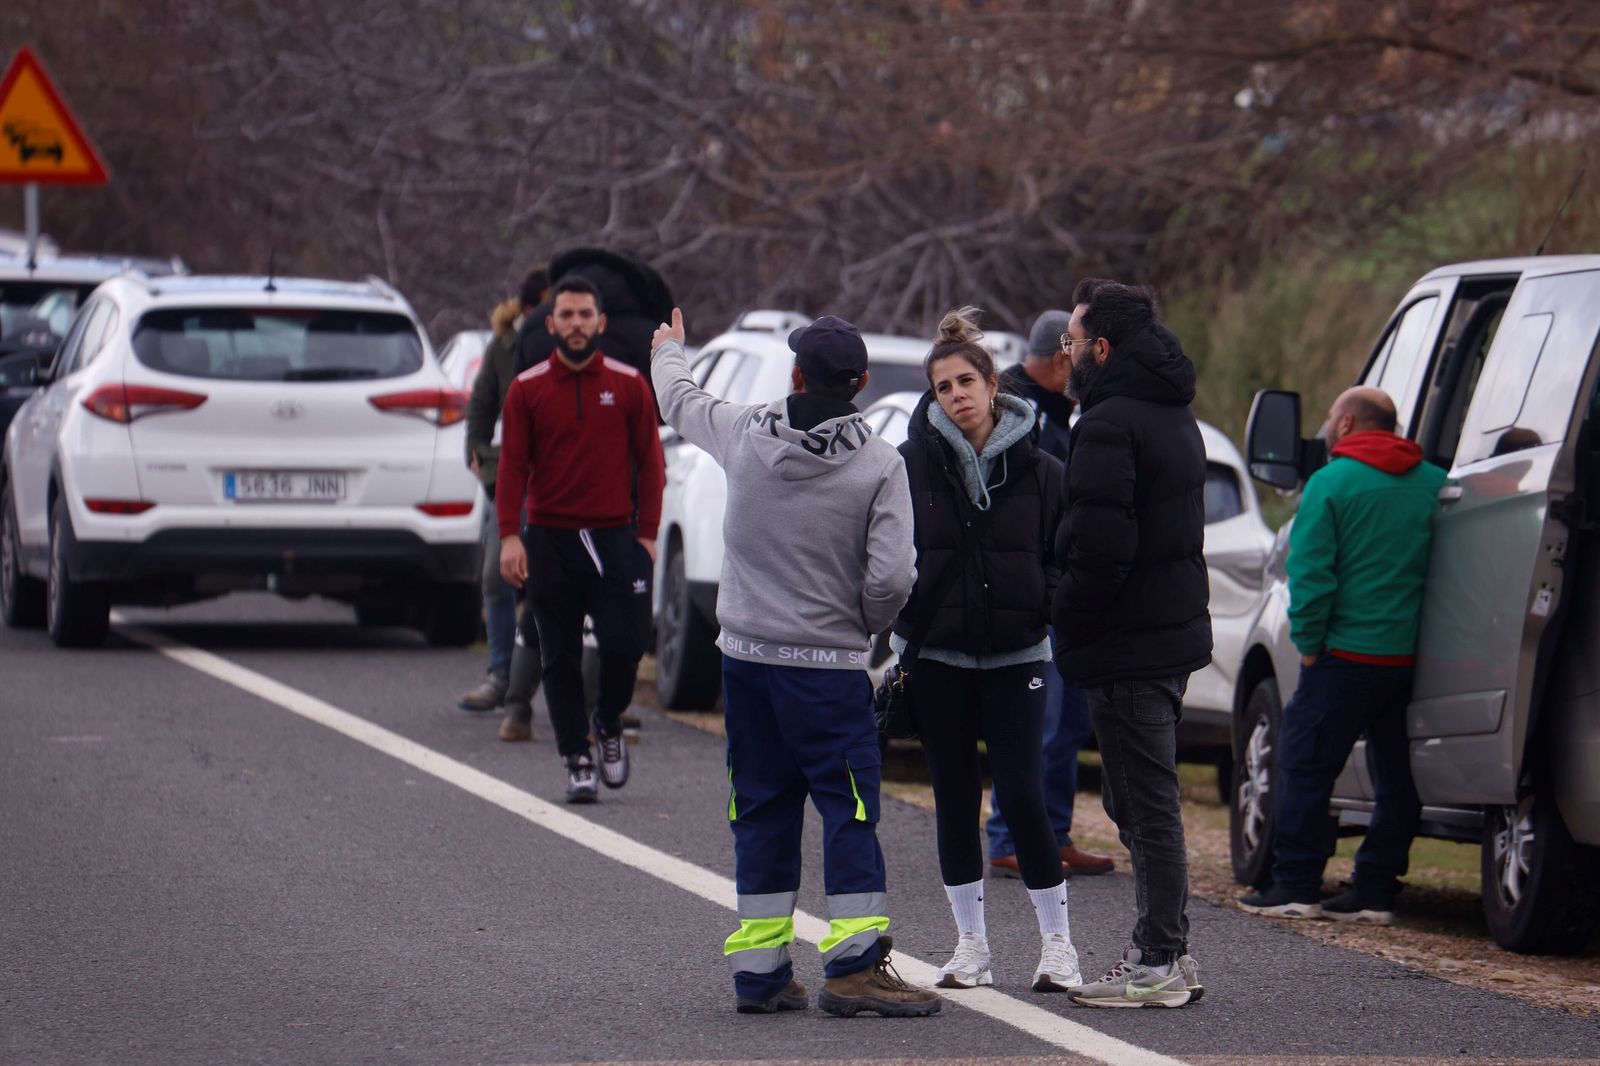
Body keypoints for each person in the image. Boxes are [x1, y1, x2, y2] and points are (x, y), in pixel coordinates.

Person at [651, 308, 938, 1019]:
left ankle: (760, 971)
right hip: (827, 669)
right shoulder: (879, 463)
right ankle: (853, 966)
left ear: (796, 374)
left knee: (761, 807)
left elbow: (679, 399)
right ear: (862, 384)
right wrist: (862, 628)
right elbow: (894, 579)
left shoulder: (744, 433)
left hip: (744, 663)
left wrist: (669, 350)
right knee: (850, 809)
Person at [892, 307, 1081, 993]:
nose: (957, 395)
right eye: (943, 388)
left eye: (966, 381)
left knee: (1025, 796)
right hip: (938, 657)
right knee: (953, 798)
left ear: (991, 382)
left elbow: (1066, 556)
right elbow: (888, 553)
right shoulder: (911, 465)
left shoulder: (1044, 468)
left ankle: (1058, 946)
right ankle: (970, 946)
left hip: (1017, 658)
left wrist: (1041, 606)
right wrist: (905, 620)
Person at [1053, 281, 1211, 1009]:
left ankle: (1158, 960)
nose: (1067, 351)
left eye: (1074, 340)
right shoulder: (1172, 411)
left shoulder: (1111, 421)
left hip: (1130, 639)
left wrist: (1061, 613)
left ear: (1103, 348)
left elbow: (1101, 547)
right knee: (1130, 797)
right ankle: (1170, 943)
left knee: (1145, 804)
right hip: (1164, 633)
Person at [1238, 387, 1444, 925]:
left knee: (1305, 764)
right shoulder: (1434, 484)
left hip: (1344, 655)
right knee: (1396, 775)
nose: (1327, 426)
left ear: (1348, 423)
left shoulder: (1330, 483)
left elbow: (1312, 574)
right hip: (1406, 659)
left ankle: (1296, 884)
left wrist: (1308, 645)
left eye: (1331, 417)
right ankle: (1375, 890)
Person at [496, 276, 664, 802]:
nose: (575, 324)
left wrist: (648, 535)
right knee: (559, 655)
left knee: (624, 643)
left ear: (600, 322)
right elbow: (512, 467)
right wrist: (509, 537)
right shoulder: (526, 389)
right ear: (550, 325)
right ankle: (576, 758)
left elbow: (651, 464)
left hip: (616, 539)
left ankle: (608, 722)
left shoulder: (630, 384)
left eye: (584, 315)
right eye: (565, 315)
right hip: (549, 540)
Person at [986, 309, 1113, 881]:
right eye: (1080, 355)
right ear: (1063, 357)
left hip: (1066, 582)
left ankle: (1054, 832)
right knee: (1039, 718)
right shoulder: (1012, 407)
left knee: (1067, 722)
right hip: (1032, 587)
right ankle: (1010, 835)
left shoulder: (1063, 410)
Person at [459, 270, 549, 736]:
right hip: (509, 479)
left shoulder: (571, 346)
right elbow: (481, 403)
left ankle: (573, 691)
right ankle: (500, 673)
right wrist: (475, 446)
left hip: (556, 485)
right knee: (497, 574)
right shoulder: (505, 347)